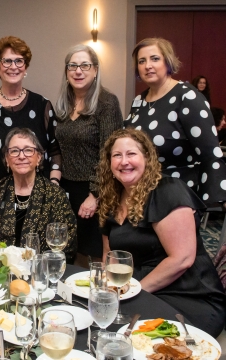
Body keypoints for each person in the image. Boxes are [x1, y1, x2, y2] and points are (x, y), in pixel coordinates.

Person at [98, 128, 226, 337]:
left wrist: (132, 292)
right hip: (140, 291)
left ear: (147, 157)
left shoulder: (167, 190)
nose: (124, 161)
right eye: (117, 155)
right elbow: (109, 255)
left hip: (188, 297)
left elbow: (182, 258)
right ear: (109, 163)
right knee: (99, 321)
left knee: (124, 337)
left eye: (131, 154)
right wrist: (108, 292)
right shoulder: (111, 199)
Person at [0, 36, 61, 218]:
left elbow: (55, 150)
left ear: (26, 68)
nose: (13, 66)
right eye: (7, 61)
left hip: (38, 201)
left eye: (19, 61)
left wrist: (54, 183)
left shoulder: (42, 106)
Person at [126, 38, 226, 204]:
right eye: (141, 61)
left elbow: (210, 153)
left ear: (168, 62)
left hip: (177, 196)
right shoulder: (139, 101)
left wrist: (210, 201)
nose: (147, 65)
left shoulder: (187, 96)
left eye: (155, 59)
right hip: (141, 193)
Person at [54, 44, 123, 267]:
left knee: (95, 253)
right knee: (71, 249)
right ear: (66, 72)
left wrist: (95, 194)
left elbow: (109, 152)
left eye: (85, 65)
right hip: (68, 189)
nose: (78, 71)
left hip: (95, 190)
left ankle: (97, 298)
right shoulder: (65, 105)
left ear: (95, 70)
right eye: (72, 66)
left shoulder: (107, 102)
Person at [0, 128, 77, 263]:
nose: (21, 156)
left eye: (28, 150)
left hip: (41, 273)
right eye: (15, 151)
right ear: (7, 159)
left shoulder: (55, 195)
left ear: (39, 157)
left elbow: (67, 246)